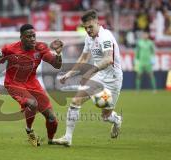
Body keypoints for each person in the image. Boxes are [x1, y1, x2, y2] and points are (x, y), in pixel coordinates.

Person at [52, 10, 123, 146]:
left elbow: (109, 59)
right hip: (99, 77)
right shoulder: (89, 38)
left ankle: (116, 120)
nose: (88, 30)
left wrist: (91, 71)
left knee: (105, 116)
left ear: (97, 23)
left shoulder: (105, 37)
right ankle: (67, 137)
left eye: (90, 27)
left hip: (113, 80)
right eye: (85, 28)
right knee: (75, 101)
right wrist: (69, 74)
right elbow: (84, 57)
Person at [0, 24, 63, 147]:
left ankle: (51, 140)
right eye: (28, 36)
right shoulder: (10, 49)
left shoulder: (40, 48)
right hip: (14, 84)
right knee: (32, 103)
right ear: (22, 38)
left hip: (33, 83)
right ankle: (29, 131)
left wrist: (58, 54)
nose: (32, 39)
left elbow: (56, 65)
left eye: (34, 36)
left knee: (52, 118)